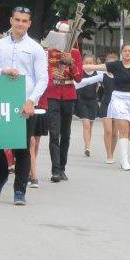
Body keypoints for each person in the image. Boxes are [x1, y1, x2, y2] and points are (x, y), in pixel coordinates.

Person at [0, 7, 49, 206]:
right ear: (11, 20)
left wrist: (31, 101)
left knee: (22, 148)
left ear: (29, 23)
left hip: (24, 105)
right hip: (0, 103)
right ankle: (1, 176)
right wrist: (3, 71)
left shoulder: (35, 48)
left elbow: (43, 78)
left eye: (24, 21)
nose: (20, 24)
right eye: (17, 20)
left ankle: (19, 191)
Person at [44, 22, 83, 183]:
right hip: (53, 94)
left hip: (68, 95)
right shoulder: (47, 52)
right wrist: (53, 78)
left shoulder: (74, 53)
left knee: (65, 135)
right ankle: (55, 170)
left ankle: (63, 168)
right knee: (54, 134)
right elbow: (43, 73)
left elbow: (79, 78)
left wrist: (72, 63)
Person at [74, 55, 100, 154]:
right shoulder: (80, 72)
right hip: (82, 101)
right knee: (86, 125)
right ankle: (87, 148)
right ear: (83, 63)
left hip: (93, 101)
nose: (88, 65)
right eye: (86, 63)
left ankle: (87, 144)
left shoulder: (98, 74)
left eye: (90, 63)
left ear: (94, 64)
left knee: (91, 126)